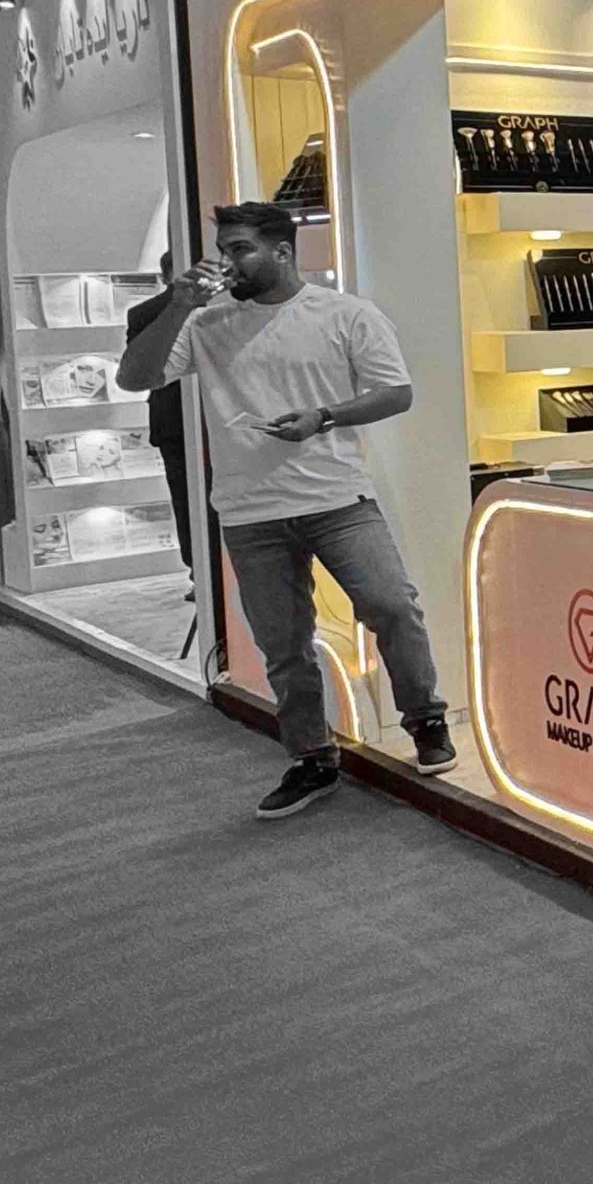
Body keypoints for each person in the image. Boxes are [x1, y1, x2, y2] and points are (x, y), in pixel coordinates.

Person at [117, 201, 453, 818]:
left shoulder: (345, 314)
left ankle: (425, 718)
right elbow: (135, 378)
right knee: (284, 643)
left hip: (337, 498)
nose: (228, 262)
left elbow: (395, 391)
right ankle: (311, 757)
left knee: (391, 606)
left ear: (282, 252)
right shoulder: (205, 321)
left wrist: (324, 417)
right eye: (224, 250)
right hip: (248, 511)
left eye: (241, 249)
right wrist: (179, 305)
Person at [125, 254, 193, 571]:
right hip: (180, 418)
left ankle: (196, 571)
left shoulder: (142, 312)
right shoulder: (150, 312)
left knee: (183, 499)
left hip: (170, 419)